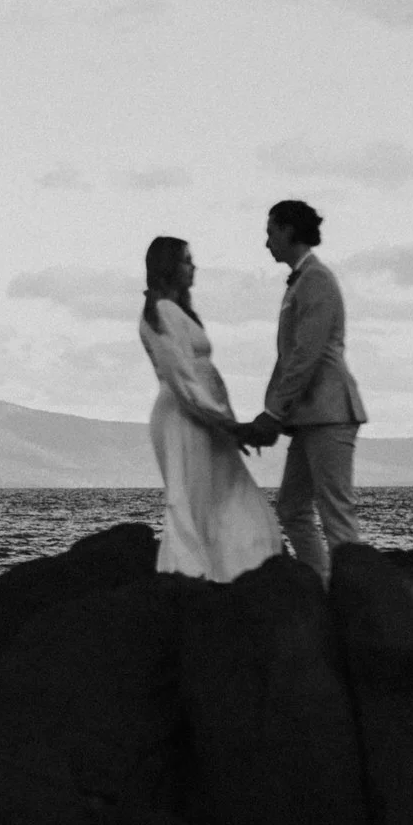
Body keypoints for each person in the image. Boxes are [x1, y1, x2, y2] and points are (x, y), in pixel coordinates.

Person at [136, 235, 285, 581]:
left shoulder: (176, 312)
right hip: (184, 419)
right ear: (169, 266)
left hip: (205, 419)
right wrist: (227, 425)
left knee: (224, 494)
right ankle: (192, 576)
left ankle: (230, 572)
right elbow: (183, 381)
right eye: (187, 260)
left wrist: (224, 422)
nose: (194, 266)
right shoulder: (161, 313)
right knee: (194, 499)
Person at [242, 200, 368, 582]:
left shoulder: (315, 280)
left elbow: (305, 357)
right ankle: (324, 585)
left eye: (270, 232)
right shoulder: (305, 280)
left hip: (329, 414)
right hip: (311, 416)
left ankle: (355, 599)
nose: (266, 242)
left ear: (289, 230)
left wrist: (274, 413)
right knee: (293, 509)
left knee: (335, 513)